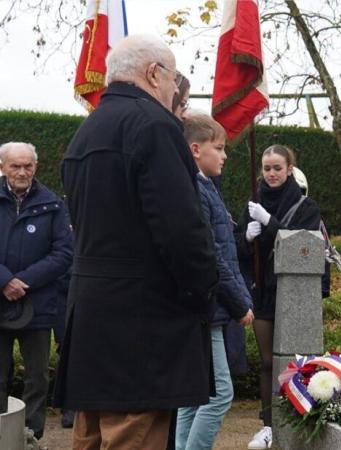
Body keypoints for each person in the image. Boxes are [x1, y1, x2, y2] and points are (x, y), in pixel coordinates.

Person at [55, 34, 219, 450]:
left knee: (90, 436)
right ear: (153, 73)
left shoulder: (87, 131)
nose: (175, 88)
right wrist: (202, 289)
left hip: (92, 313)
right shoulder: (155, 126)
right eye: (175, 77)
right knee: (135, 435)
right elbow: (181, 231)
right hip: (143, 322)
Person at [175, 113, 254, 450]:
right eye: (218, 148)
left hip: (210, 308)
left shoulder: (205, 186)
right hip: (209, 307)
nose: (224, 155)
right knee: (220, 393)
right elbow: (212, 255)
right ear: (195, 149)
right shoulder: (195, 187)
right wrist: (239, 303)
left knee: (194, 395)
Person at [237, 145, 321, 450]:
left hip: (294, 294)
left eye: (277, 168)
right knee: (268, 361)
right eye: (266, 168)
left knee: (298, 360)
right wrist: (246, 238)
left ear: (289, 169)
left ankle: (300, 418)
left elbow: (300, 247)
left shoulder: (305, 206)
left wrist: (270, 223)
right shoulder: (252, 202)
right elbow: (237, 251)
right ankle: (269, 424)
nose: (271, 174)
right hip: (263, 293)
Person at [0, 141, 73, 440]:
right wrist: (4, 280)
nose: (22, 171)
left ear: (36, 167)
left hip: (38, 305)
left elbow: (64, 252)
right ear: (2, 167)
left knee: (37, 378)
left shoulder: (53, 204)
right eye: (15, 165)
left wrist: (24, 281)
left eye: (27, 165)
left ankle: (30, 437)